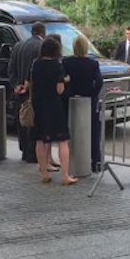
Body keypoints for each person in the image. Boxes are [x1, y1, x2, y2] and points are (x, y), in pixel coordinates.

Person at [30, 37, 78, 186]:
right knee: (62, 140)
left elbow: (33, 83)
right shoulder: (57, 66)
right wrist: (66, 80)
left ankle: (44, 172)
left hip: (39, 104)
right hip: (54, 105)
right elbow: (60, 89)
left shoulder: (35, 64)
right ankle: (65, 175)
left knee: (40, 139)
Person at [63, 37, 103, 173]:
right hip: (89, 101)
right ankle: (95, 161)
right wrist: (92, 94)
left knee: (71, 131)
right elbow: (99, 82)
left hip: (71, 101)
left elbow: (63, 80)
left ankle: (71, 160)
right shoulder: (93, 64)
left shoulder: (66, 62)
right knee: (94, 131)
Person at [8, 21, 46, 163]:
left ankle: (24, 150)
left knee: (22, 120)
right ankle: (32, 153)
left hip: (20, 92)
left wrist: (16, 85)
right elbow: (38, 71)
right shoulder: (42, 47)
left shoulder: (18, 46)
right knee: (33, 122)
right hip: (34, 92)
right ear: (43, 32)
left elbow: (11, 69)